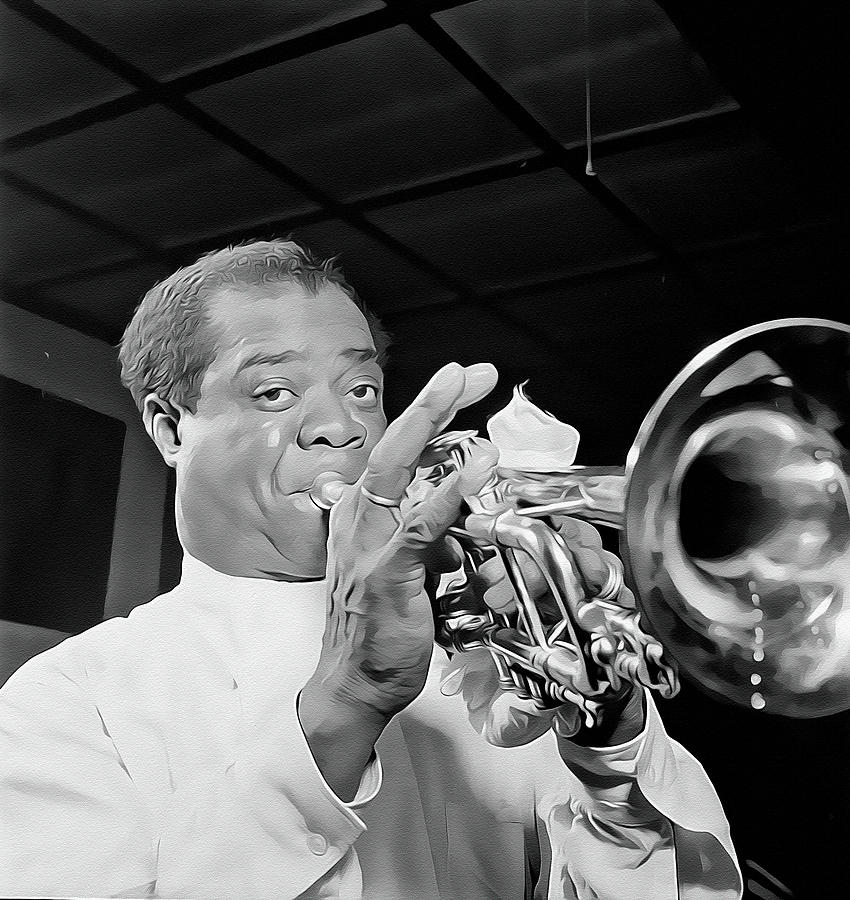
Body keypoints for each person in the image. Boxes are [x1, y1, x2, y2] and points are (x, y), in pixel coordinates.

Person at [0, 240, 742, 899]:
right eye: (274, 393)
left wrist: (608, 737)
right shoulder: (70, 701)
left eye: (362, 391)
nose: (344, 427)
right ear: (169, 427)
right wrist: (349, 697)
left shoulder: (494, 652)